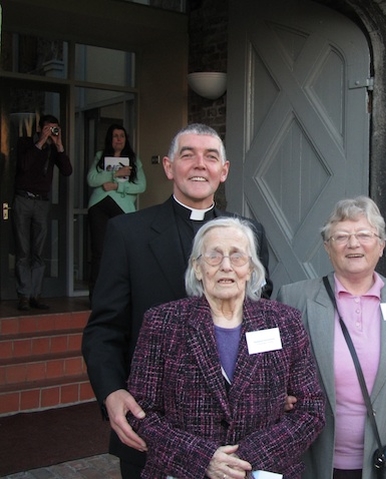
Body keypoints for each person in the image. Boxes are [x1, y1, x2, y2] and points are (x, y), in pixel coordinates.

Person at [82, 123, 272, 479]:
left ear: (224, 171)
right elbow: (104, 328)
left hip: (236, 435)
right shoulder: (128, 233)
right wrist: (111, 391)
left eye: (211, 157)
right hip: (155, 427)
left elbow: (261, 319)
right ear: (169, 167)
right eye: (188, 155)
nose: (200, 164)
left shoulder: (250, 234)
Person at [127, 216, 325, 478]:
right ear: (197, 268)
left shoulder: (284, 322)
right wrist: (202, 458)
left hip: (264, 471)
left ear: (252, 269)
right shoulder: (162, 323)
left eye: (237, 256)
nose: (226, 266)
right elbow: (141, 412)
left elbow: (310, 410)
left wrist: (244, 457)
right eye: (213, 256)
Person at [277, 196, 386, 479]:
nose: (353, 244)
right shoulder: (296, 298)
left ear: (381, 245)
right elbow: (270, 379)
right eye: (341, 236)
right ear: (327, 247)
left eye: (364, 235)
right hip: (315, 463)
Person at [13, 114, 73, 311]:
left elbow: (67, 170)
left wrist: (59, 145)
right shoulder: (26, 143)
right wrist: (40, 142)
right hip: (23, 199)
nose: (51, 132)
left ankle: (35, 295)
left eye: (54, 129)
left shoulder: (54, 150)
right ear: (40, 129)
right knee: (23, 251)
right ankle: (23, 295)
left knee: (38, 251)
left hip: (41, 203)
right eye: (48, 129)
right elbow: (23, 165)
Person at [87, 124, 147, 298]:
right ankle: (95, 296)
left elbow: (141, 186)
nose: (118, 139)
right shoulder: (100, 156)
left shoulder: (134, 160)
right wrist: (114, 174)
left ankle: (121, 294)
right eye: (115, 136)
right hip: (98, 206)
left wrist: (117, 185)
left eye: (121, 136)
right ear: (110, 139)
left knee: (123, 252)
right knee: (99, 251)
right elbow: (91, 179)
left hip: (123, 207)